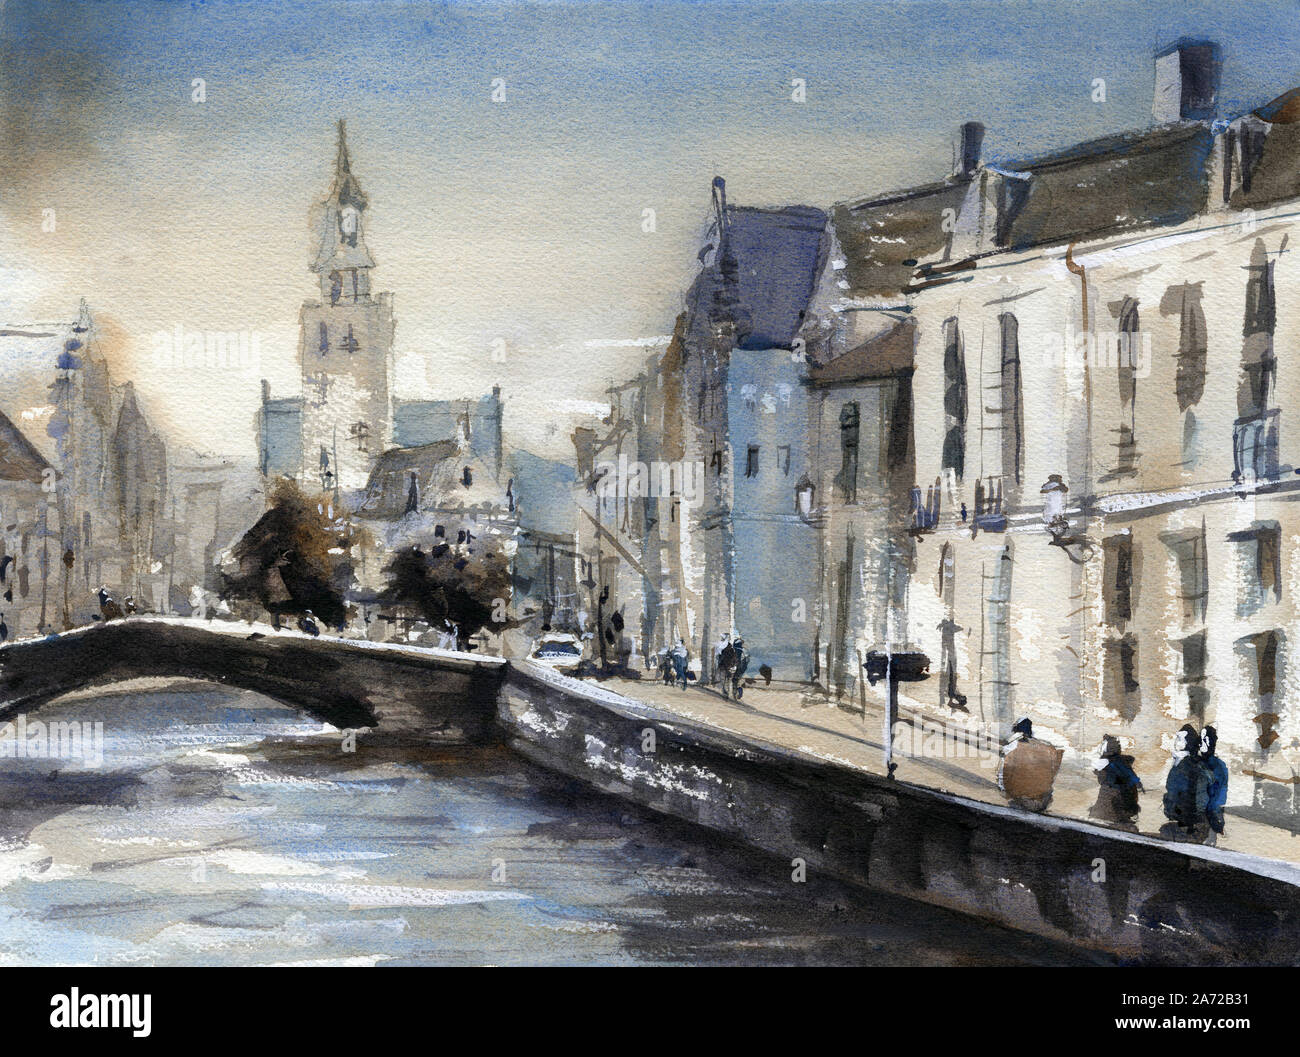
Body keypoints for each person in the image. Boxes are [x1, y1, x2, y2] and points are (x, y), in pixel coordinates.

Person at [997, 718, 1063, 813]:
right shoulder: (1048, 748)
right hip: (1043, 801)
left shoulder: (1010, 748)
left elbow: (1002, 776)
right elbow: (1053, 773)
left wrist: (1004, 791)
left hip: (1021, 800)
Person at [1161, 724, 1209, 842]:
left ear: (1188, 742)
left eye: (1180, 739)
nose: (1176, 742)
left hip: (1188, 818)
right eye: (1177, 738)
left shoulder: (1191, 765)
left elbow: (1190, 793)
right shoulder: (1179, 761)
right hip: (1180, 815)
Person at [1089, 735, 1143, 830]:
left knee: (1106, 815)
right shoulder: (1117, 762)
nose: (1100, 747)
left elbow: (1128, 776)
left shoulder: (1112, 762)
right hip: (1116, 795)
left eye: (1103, 745)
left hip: (1115, 796)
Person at [1200, 724, 1229, 843]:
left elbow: (1217, 798)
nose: (1201, 744)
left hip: (1209, 818)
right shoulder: (1198, 763)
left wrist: (1218, 823)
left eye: (1205, 740)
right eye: (1200, 740)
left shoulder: (1217, 767)